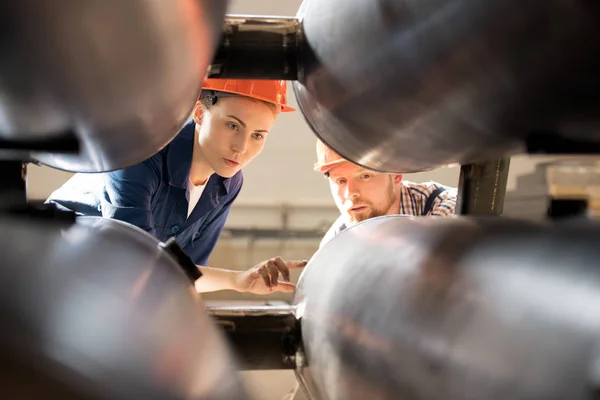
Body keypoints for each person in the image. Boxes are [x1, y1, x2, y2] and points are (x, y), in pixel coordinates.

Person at [46, 78, 306, 295]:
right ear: (199, 113)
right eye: (232, 125)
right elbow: (135, 259)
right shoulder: (140, 154)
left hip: (107, 294)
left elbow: (183, 273)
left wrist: (240, 281)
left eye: (258, 135)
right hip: (49, 272)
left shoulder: (228, 183)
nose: (242, 147)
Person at [314, 139, 458, 248]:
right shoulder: (336, 240)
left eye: (365, 176)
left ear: (396, 175)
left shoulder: (446, 210)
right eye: (341, 181)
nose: (351, 193)